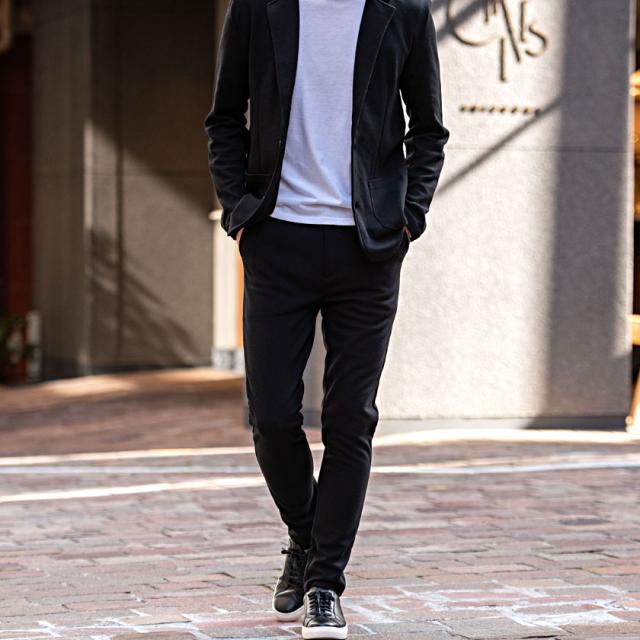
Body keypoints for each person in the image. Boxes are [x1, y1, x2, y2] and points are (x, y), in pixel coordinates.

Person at [204, 0, 448, 636]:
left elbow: (428, 130)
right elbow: (224, 118)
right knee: (272, 415)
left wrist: (409, 217)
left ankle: (323, 583)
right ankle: (306, 535)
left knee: (349, 418)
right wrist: (240, 211)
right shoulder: (257, 8)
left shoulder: (404, 11)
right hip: (278, 238)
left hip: (367, 246)